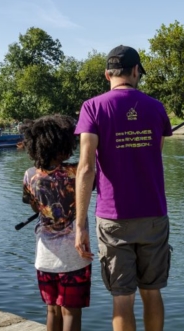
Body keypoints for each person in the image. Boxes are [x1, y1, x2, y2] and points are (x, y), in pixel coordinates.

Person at [74, 45, 173, 331]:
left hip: (113, 218)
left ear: (107, 74)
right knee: (152, 292)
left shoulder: (92, 107)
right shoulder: (156, 108)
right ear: (135, 71)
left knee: (122, 298)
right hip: (153, 214)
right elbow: (157, 151)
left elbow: (85, 168)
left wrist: (80, 225)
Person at [20, 115, 93, 331]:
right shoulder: (75, 172)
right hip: (75, 256)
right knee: (71, 311)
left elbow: (34, 206)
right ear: (62, 146)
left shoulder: (29, 175)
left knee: (52, 310)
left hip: (44, 256)